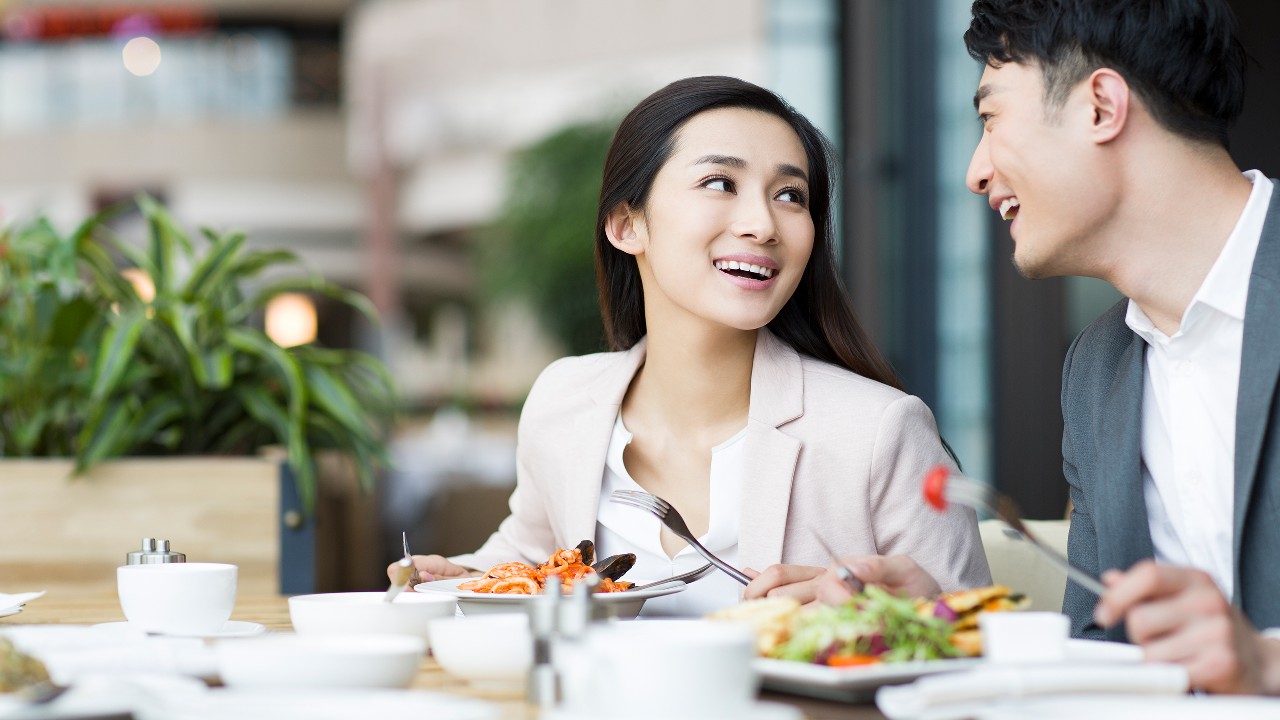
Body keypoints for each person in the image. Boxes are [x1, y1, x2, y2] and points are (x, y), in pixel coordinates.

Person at [812, 0, 1280, 696]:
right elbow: (1099, 650)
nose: (976, 172)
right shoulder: (1096, 370)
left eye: (990, 117)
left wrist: (1266, 665)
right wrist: (939, 629)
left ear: (1100, 106)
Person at [395, 75, 989, 616]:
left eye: (790, 195)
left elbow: (976, 634)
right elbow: (528, 553)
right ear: (627, 225)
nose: (762, 223)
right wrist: (466, 575)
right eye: (719, 183)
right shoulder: (564, 398)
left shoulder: (879, 429)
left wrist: (904, 613)